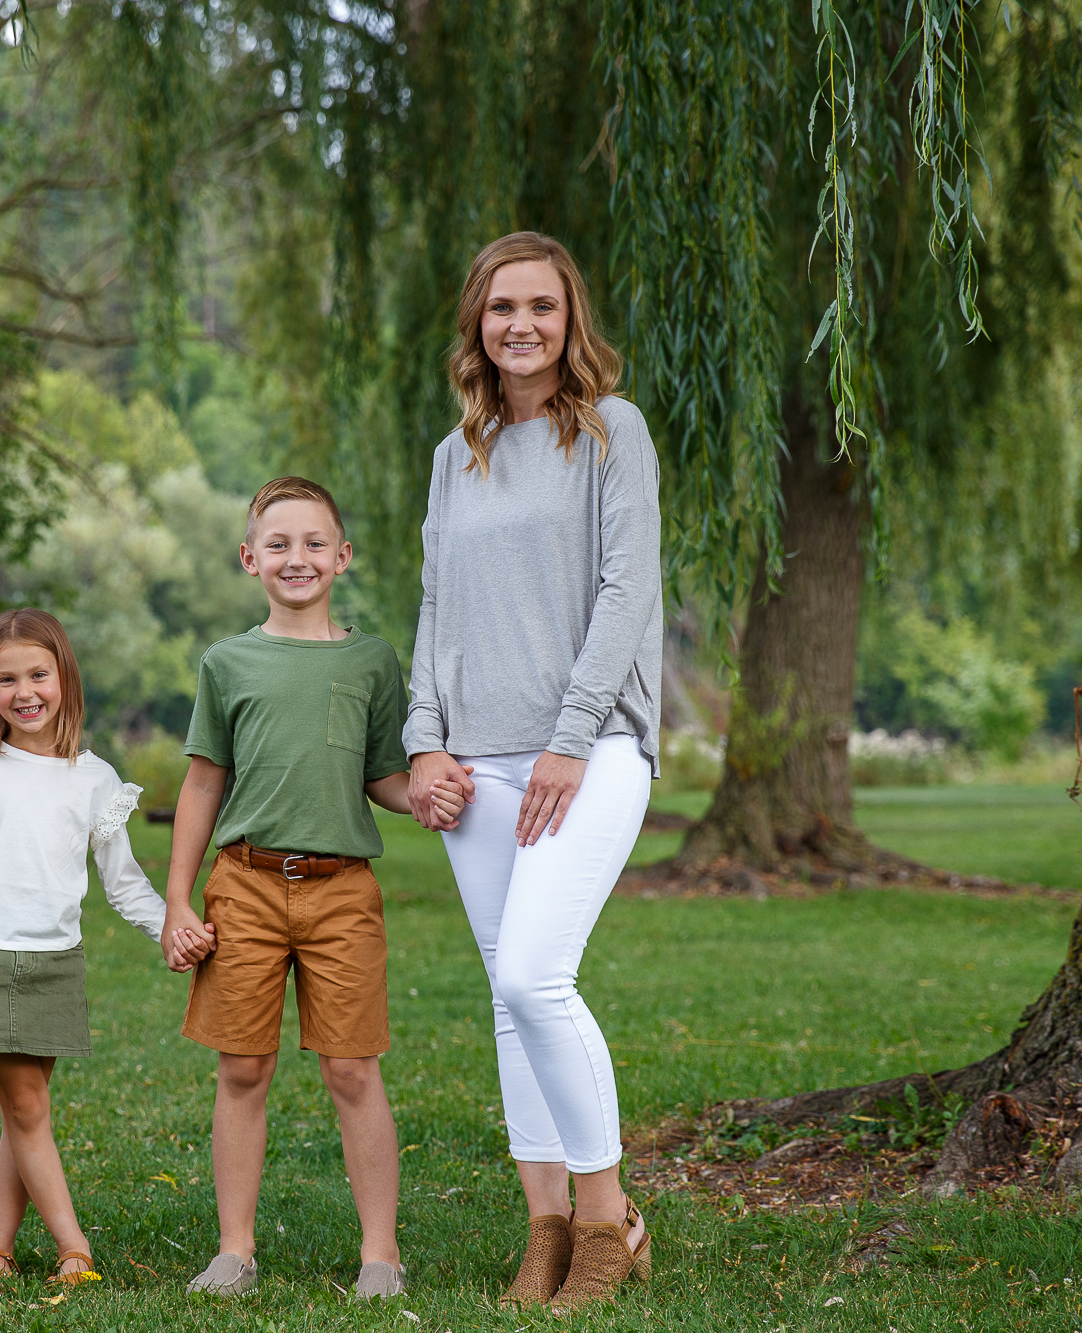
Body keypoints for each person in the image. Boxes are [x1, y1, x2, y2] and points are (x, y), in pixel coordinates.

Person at [404, 232, 662, 1315]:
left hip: (588, 749)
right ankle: (543, 1230)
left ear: (570, 321)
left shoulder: (612, 433)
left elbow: (625, 590)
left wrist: (567, 736)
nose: (519, 324)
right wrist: (423, 742)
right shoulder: (452, 452)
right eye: (500, 307)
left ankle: (607, 1226)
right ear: (475, 321)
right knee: (505, 1005)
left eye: (541, 308)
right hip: (476, 761)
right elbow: (433, 610)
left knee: (532, 978)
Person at [160, 476, 415, 1302]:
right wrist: (178, 898)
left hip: (342, 891)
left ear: (342, 556)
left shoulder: (373, 660)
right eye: (278, 544)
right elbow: (202, 786)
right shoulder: (228, 662)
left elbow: (384, 775)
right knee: (242, 1068)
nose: (296, 557)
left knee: (352, 1068)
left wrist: (430, 794)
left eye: (314, 543)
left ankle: (381, 1254)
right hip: (246, 886)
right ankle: (235, 1249)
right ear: (249, 558)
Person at [0, 608, 168, 1289]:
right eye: (6, 679)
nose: (25, 691)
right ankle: (72, 1246)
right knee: (26, 1106)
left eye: (38, 674)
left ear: (64, 678)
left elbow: (123, 881)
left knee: (26, 1110)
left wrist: (171, 926)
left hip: (56, 958)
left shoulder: (94, 777)